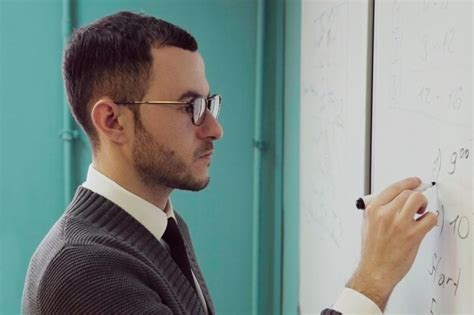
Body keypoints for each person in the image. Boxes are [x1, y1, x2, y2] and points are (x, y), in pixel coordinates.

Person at [22, 11, 438, 315]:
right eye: (191, 107)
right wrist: (372, 280)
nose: (214, 129)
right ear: (113, 121)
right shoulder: (85, 270)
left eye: (209, 103)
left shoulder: (160, 225)